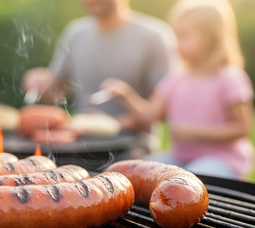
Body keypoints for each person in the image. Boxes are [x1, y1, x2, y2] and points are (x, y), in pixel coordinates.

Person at [103, 0, 254, 179]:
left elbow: (241, 128)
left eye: (184, 36)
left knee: (190, 179)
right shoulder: (175, 79)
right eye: (176, 36)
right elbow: (149, 116)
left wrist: (194, 132)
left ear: (210, 37)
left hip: (222, 159)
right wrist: (126, 95)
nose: (176, 44)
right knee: (143, 170)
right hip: (180, 158)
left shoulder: (230, 78)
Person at [22, 0, 176, 158]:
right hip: (78, 143)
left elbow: (163, 111)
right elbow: (55, 94)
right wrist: (40, 83)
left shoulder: (154, 36)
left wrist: (113, 123)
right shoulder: (75, 33)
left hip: (132, 147)